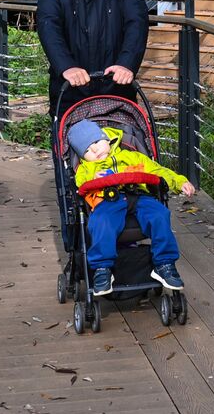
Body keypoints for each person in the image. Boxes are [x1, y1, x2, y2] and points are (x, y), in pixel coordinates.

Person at [66, 119, 196, 294]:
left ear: (107, 139)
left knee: (160, 214)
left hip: (139, 195)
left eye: (96, 142)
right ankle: (102, 269)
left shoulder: (132, 156)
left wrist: (179, 182)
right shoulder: (87, 168)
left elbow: (157, 171)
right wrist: (94, 178)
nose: (95, 150)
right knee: (100, 221)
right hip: (108, 200)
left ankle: (165, 264)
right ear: (82, 156)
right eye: (87, 150)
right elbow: (81, 183)